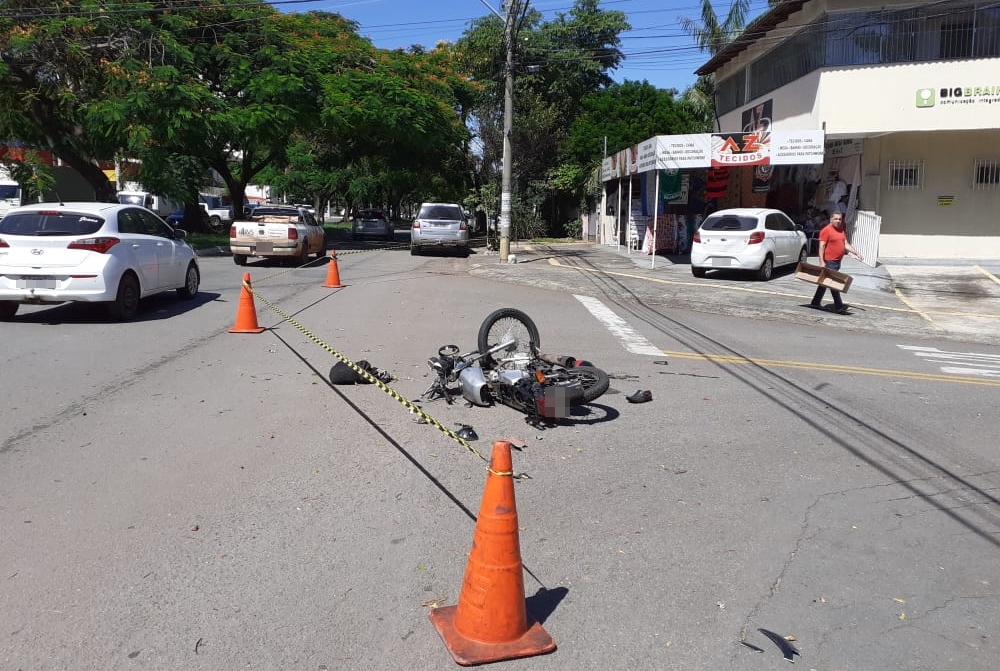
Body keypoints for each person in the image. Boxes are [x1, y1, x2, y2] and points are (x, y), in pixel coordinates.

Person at [810, 212, 862, 314]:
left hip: (837, 262)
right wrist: (821, 261)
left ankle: (815, 302)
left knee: (824, 283)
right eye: (836, 219)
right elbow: (821, 247)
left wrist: (856, 252)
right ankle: (839, 306)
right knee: (833, 283)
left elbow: (845, 244)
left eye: (839, 219)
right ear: (831, 219)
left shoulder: (841, 230)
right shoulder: (826, 230)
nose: (838, 221)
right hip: (829, 261)